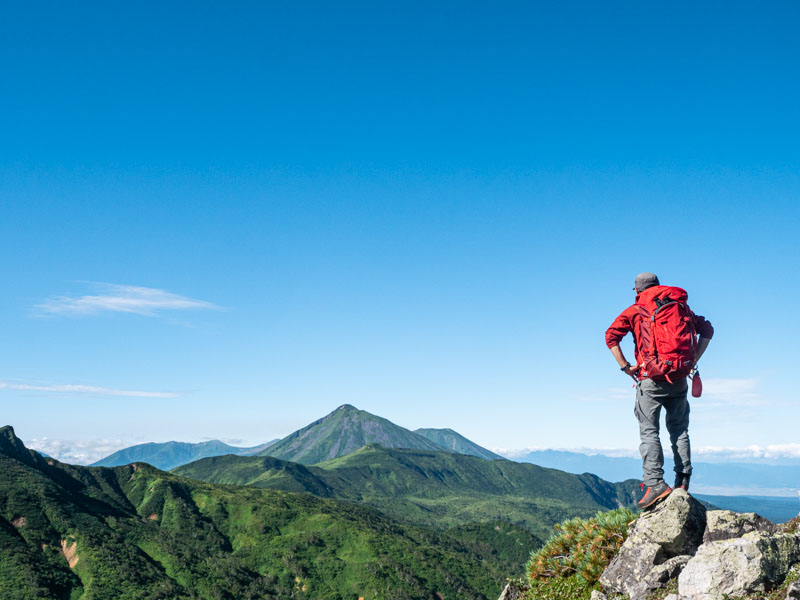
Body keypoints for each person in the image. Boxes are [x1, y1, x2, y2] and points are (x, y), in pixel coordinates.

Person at [605, 272, 714, 509]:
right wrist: (693, 360)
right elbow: (707, 330)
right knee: (679, 430)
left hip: (650, 379)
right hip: (679, 378)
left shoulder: (636, 310)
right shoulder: (679, 306)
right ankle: (683, 480)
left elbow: (611, 337)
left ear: (637, 291)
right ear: (658, 286)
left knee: (649, 432)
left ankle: (655, 483)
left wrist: (625, 367)